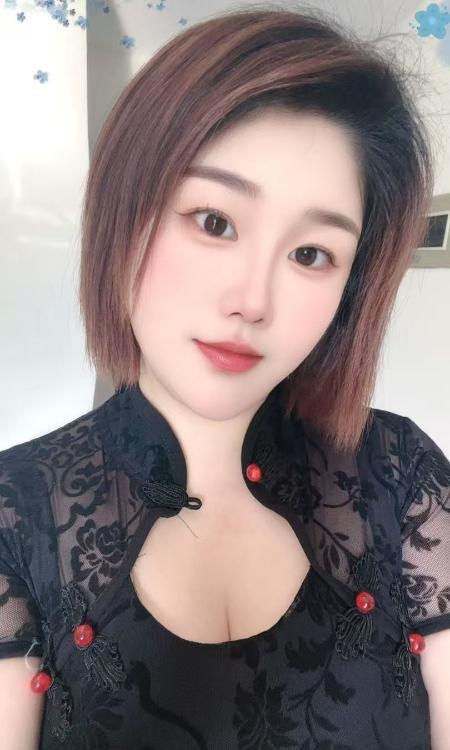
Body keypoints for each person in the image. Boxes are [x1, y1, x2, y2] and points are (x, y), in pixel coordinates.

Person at [1, 4, 449, 748]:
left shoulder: (402, 481)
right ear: (124, 214)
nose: (253, 301)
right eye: (214, 222)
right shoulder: (15, 515)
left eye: (311, 254)